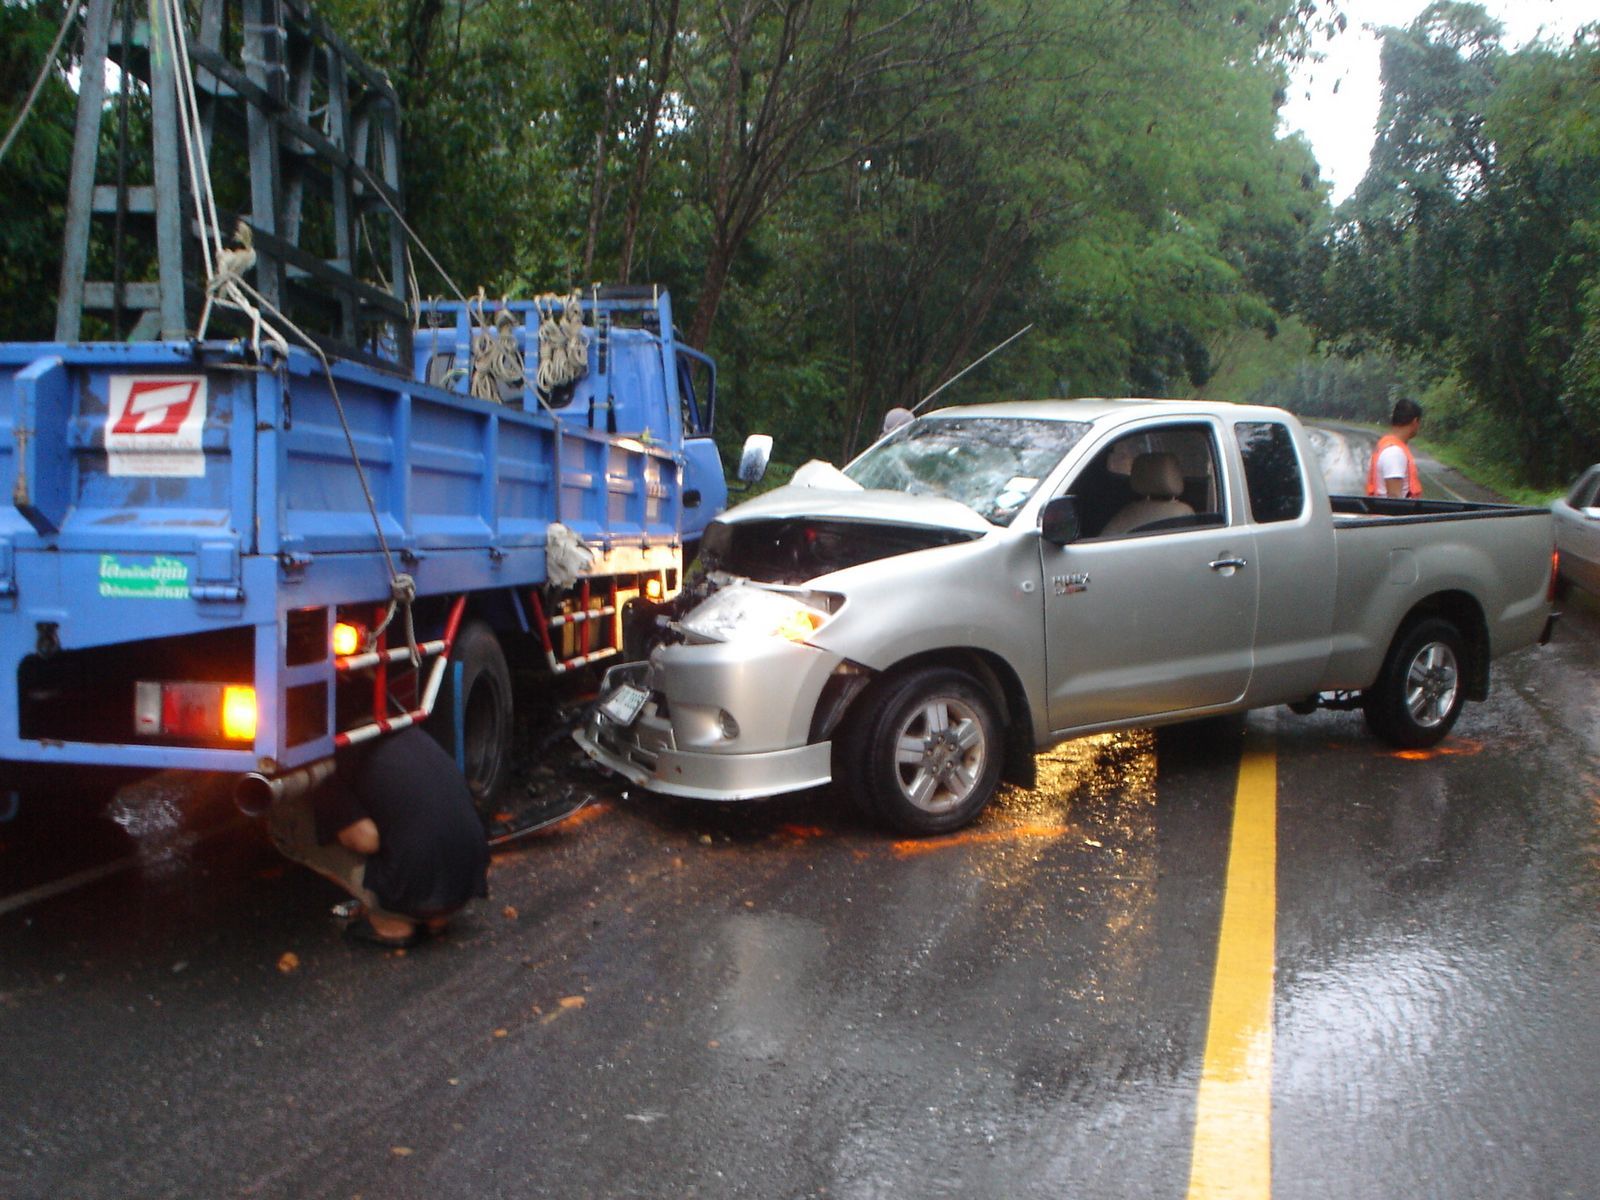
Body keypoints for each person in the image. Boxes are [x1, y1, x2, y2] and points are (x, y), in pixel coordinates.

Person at [268, 728, 490, 948]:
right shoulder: (408, 732)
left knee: (290, 821)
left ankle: (391, 920)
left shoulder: (332, 760)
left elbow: (366, 840)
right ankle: (436, 916)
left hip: (412, 888)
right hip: (465, 885)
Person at [1366, 398, 1424, 500]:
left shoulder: (1389, 447)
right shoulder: (1394, 452)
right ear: (1415, 422)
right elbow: (1394, 499)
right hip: (1391, 515)